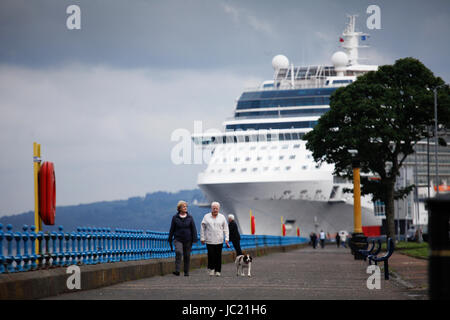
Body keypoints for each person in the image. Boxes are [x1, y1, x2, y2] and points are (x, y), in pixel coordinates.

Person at [168, 200, 198, 276]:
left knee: (187, 255)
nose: (185, 208)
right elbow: (172, 229)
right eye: (183, 206)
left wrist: (195, 239)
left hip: (188, 239)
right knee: (178, 252)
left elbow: (193, 228)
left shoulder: (190, 217)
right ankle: (177, 270)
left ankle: (186, 271)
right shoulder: (175, 218)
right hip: (178, 239)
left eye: (186, 206)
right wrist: (170, 238)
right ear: (179, 208)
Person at [200, 202, 230, 276]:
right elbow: (202, 228)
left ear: (219, 209)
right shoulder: (206, 217)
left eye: (216, 208)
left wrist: (226, 238)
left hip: (219, 240)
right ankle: (212, 269)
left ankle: (218, 270)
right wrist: (202, 238)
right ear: (211, 209)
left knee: (218, 256)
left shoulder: (222, 217)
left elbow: (226, 228)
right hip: (209, 240)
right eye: (214, 208)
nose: (215, 210)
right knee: (210, 255)